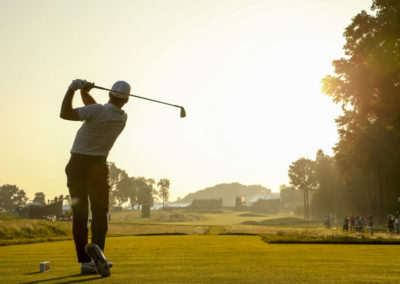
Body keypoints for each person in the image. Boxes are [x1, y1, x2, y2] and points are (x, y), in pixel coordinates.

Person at [60, 79, 130, 277]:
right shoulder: (122, 117)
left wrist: (73, 89)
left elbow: (65, 114)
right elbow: (96, 109)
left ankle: (86, 262)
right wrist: (84, 91)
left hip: (77, 166)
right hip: (99, 167)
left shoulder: (97, 111)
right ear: (126, 101)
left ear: (109, 94)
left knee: (80, 215)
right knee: (100, 214)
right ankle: (97, 254)